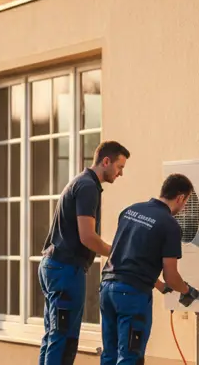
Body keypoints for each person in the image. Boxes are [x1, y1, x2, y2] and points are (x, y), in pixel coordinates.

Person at [37, 140, 130, 365]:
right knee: (64, 338)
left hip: (54, 267)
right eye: (120, 167)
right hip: (65, 270)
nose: (120, 174)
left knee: (53, 336)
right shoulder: (88, 186)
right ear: (105, 161)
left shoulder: (81, 182)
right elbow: (87, 237)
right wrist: (117, 253)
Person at [98, 173, 199, 365]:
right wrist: (187, 290)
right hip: (132, 296)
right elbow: (171, 275)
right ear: (180, 197)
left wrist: (160, 286)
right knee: (130, 357)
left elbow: (131, 257)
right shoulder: (170, 225)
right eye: (186, 202)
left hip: (107, 289)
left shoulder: (130, 210)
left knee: (109, 355)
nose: (185, 207)